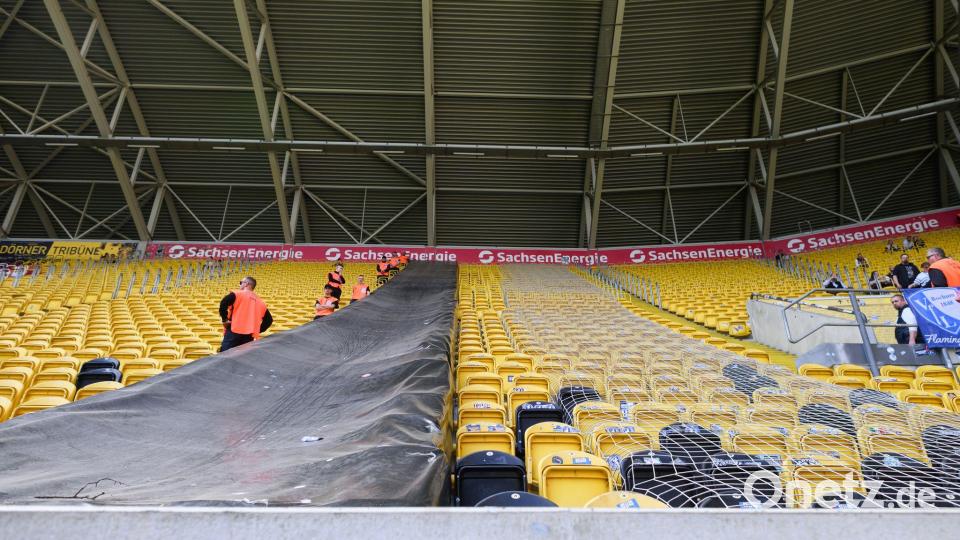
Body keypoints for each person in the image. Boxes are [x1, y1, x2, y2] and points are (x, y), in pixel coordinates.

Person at [219, 276, 272, 352]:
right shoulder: (261, 302)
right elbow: (269, 321)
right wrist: (258, 330)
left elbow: (223, 303)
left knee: (226, 356)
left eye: (241, 282)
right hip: (249, 335)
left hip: (233, 330)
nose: (240, 285)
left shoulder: (237, 294)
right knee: (243, 359)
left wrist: (224, 320)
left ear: (246, 284)